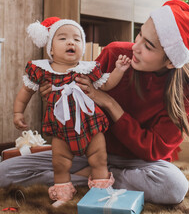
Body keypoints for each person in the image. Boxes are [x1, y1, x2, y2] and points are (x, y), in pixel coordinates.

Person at [1, 0, 189, 205]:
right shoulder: (115, 53)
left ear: (171, 60)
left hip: (139, 163)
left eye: (148, 46)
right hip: (86, 149)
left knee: (174, 187)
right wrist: (56, 95)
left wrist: (110, 103)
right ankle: (96, 178)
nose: (135, 47)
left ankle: (88, 178)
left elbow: (154, 150)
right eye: (139, 34)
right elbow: (76, 97)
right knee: (5, 172)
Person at [12, 17, 131, 207]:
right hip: (61, 129)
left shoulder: (88, 69)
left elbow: (107, 84)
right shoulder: (42, 70)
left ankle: (100, 193)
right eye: (63, 38)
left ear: (82, 48)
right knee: (59, 163)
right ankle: (62, 194)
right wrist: (18, 113)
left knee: (99, 158)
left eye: (77, 39)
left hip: (90, 126)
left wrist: (119, 70)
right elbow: (25, 92)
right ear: (50, 48)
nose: (71, 42)